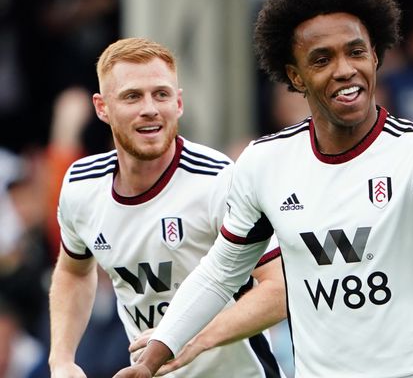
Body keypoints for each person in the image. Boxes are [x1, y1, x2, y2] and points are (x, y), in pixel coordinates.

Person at [115, 0, 413, 378]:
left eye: (355, 51)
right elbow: (220, 272)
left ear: (376, 55)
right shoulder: (266, 162)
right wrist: (152, 360)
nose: (344, 69)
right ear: (295, 76)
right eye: (322, 59)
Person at [48, 37, 287, 377]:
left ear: (179, 103)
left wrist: (189, 339)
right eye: (132, 96)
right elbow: (73, 270)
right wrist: (62, 359)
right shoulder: (81, 185)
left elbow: (280, 288)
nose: (150, 108)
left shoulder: (219, 180)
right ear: (102, 108)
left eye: (161, 94)